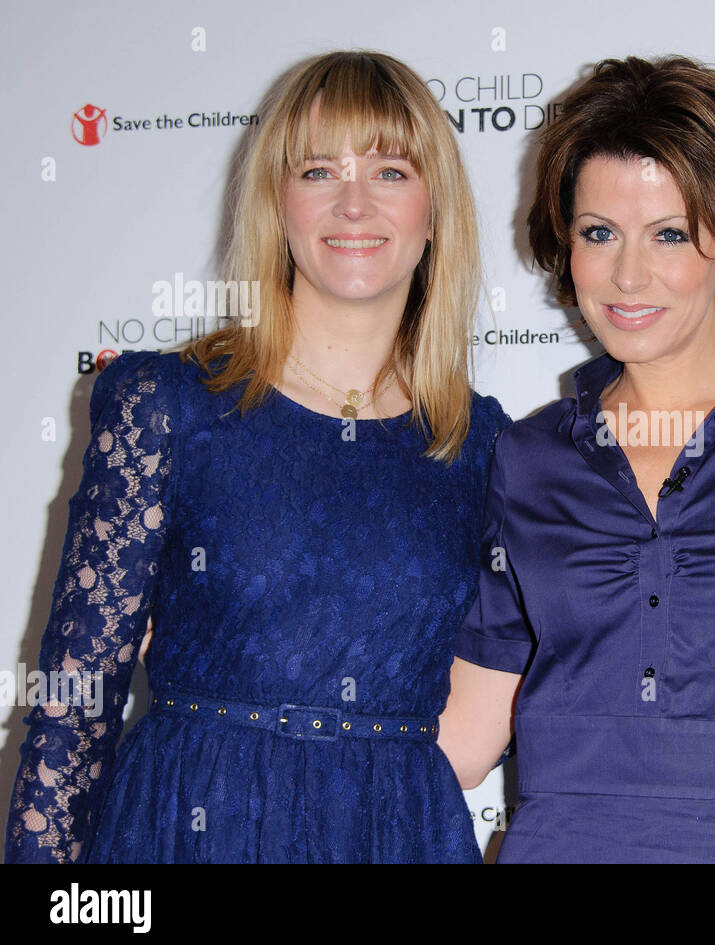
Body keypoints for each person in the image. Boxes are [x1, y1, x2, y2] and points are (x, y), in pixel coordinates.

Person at [6, 51, 507, 863]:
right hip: (189, 829)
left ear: (435, 211)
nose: (353, 203)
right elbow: (74, 702)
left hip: (394, 836)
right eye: (318, 171)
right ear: (277, 203)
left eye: (388, 170)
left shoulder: (482, 444)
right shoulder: (169, 404)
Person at [437, 55, 715, 863]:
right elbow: (466, 732)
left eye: (670, 234)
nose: (627, 274)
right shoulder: (528, 455)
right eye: (599, 233)